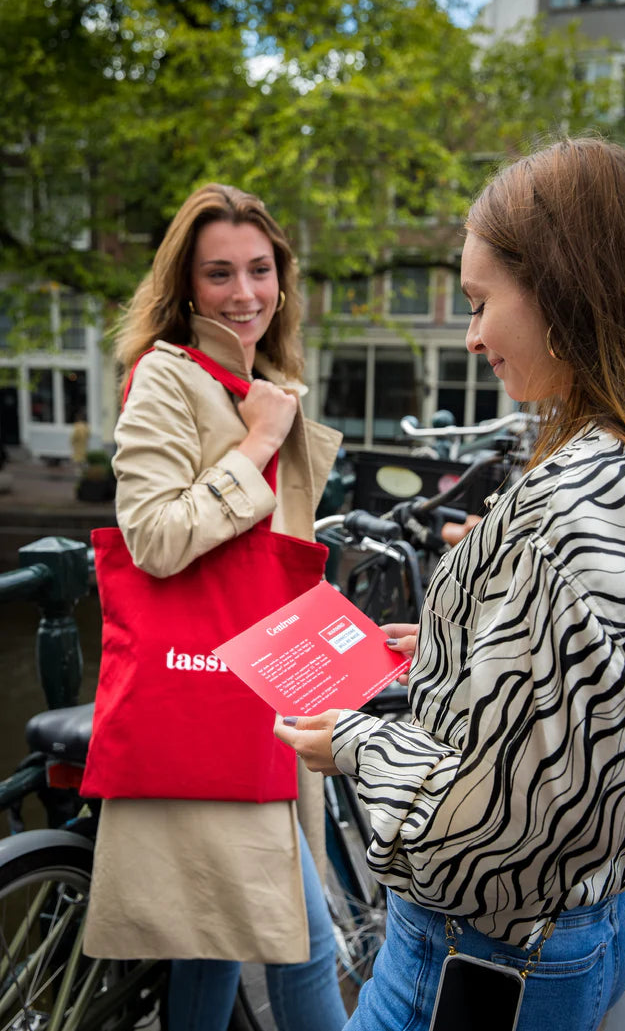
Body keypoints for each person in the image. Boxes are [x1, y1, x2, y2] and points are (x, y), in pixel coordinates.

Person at [275, 137, 625, 1031]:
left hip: (478, 958)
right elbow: (592, 700)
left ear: (562, 291)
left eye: (483, 301)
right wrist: (459, 644)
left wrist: (354, 745)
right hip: (594, 917)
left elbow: (488, 824)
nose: (472, 333)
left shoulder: (570, 505)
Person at [83, 182, 348, 1031]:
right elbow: (156, 536)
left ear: (283, 275)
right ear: (186, 286)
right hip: (207, 698)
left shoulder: (262, 375)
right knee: (301, 938)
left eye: (260, 270)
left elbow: (265, 554)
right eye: (219, 274)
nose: (244, 294)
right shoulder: (165, 375)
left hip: (261, 689)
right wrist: (261, 443)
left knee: (218, 941)